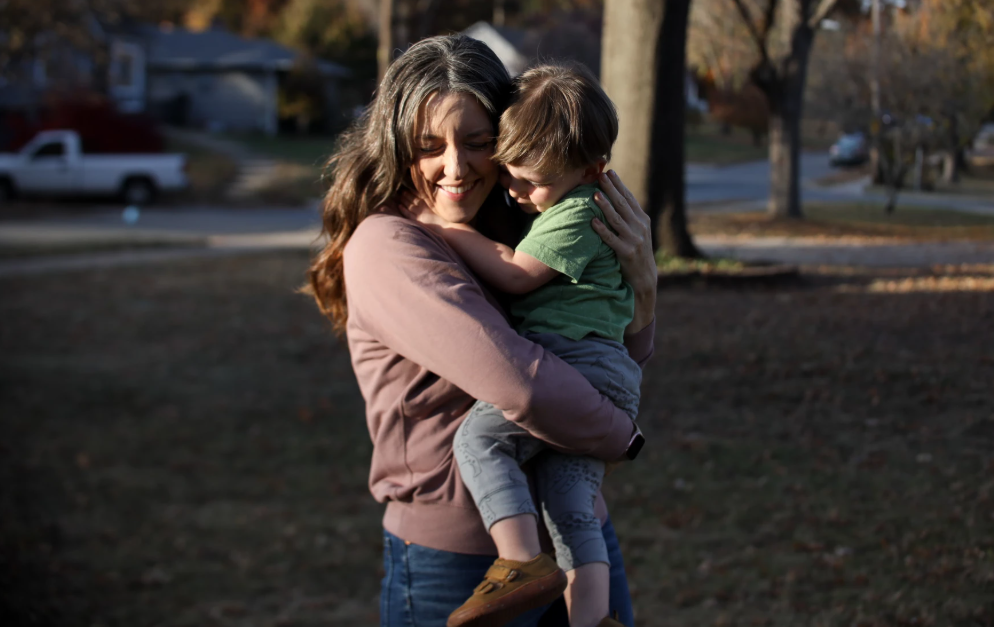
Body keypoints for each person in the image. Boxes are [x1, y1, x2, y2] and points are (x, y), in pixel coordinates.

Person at [305, 35, 657, 627]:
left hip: (578, 537)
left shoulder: (527, 216)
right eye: (427, 146)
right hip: (462, 561)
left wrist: (643, 292)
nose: (455, 166)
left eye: (477, 142)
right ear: (394, 145)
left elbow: (611, 348)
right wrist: (620, 435)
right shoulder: (390, 244)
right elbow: (519, 383)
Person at [399, 63, 638, 627]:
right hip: (609, 367)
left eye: (533, 182)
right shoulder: (571, 195)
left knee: (480, 440)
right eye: (509, 174)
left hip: (577, 360)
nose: (516, 191)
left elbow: (514, 274)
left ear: (591, 168)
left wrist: (448, 229)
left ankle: (519, 561)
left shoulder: (578, 209)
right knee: (571, 506)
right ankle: (591, 619)